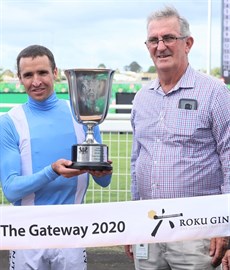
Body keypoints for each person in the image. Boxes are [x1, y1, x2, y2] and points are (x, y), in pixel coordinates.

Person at [125, 6, 230, 270]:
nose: (161, 47)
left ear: (188, 43)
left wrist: (225, 224)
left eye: (169, 38)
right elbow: (137, 161)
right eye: (153, 40)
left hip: (198, 232)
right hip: (148, 228)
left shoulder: (215, 93)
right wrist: (131, 220)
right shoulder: (142, 98)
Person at [0, 45, 112, 270]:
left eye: (42, 72)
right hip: (27, 233)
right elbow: (11, 189)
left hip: (71, 231)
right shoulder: (10, 122)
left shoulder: (83, 114)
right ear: (20, 79)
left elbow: (104, 181)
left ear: (55, 73)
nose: (36, 81)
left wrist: (102, 170)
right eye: (28, 75)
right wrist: (52, 171)